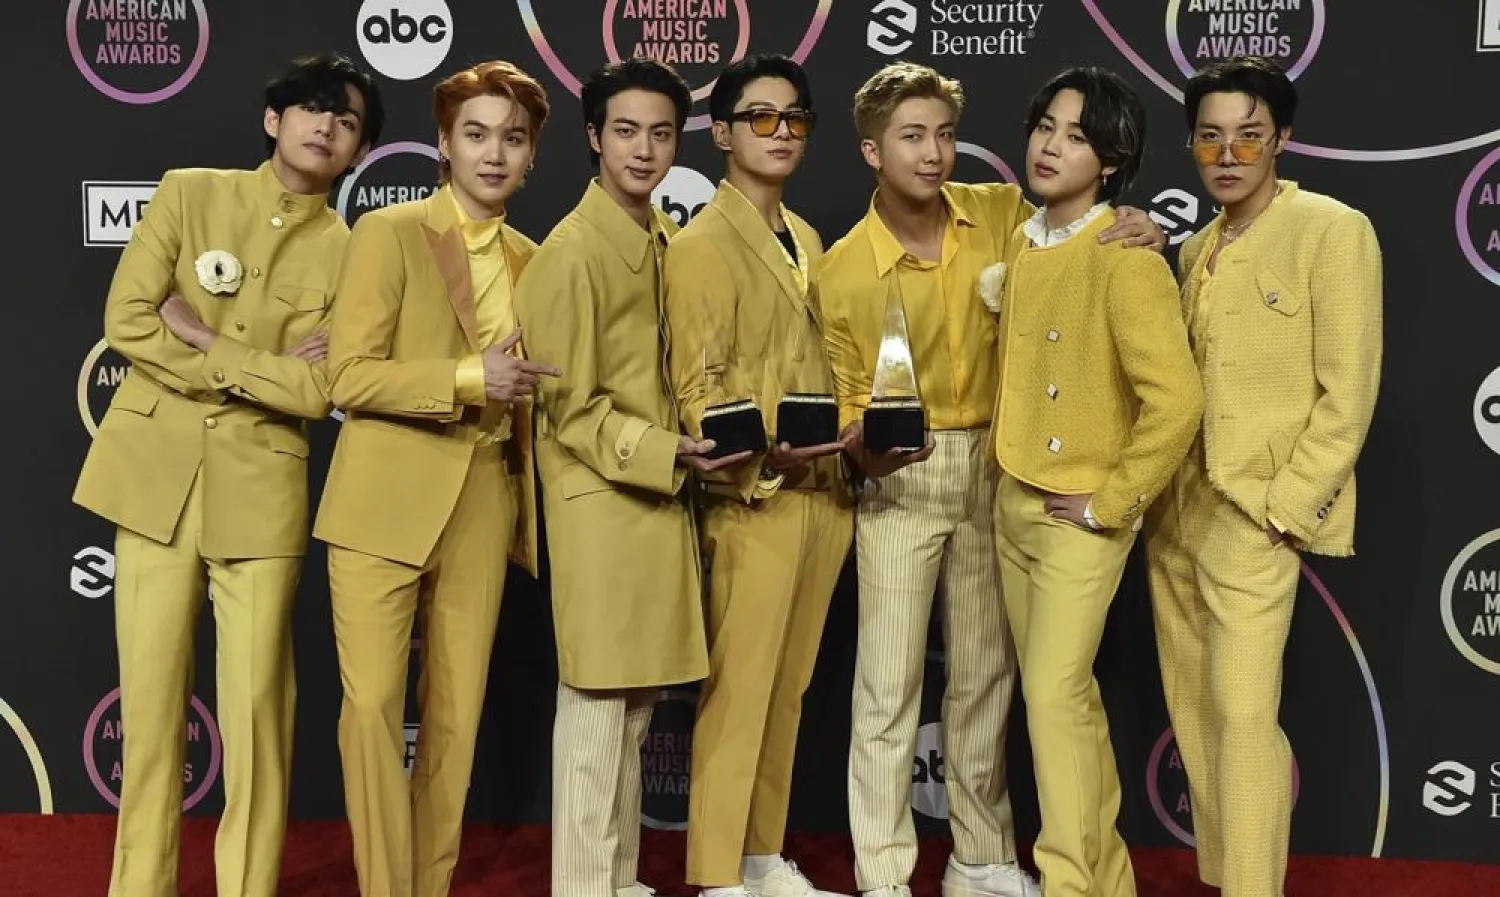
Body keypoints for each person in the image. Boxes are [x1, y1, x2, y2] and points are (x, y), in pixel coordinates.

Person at [816, 61, 1164, 897]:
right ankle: (884, 872)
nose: (934, 154)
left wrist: (1144, 226)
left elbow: (1085, 237)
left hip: (1000, 473)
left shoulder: (1007, 214)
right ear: (870, 150)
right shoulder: (838, 272)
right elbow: (842, 409)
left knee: (987, 682)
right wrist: (863, 446)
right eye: (912, 137)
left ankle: (983, 857)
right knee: (887, 689)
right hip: (897, 483)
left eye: (944, 134)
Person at [72, 52, 384, 897]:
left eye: (347, 120)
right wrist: (258, 367)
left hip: (262, 492)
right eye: (313, 109)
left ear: (358, 152)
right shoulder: (189, 191)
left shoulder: (355, 250)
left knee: (255, 716)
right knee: (148, 710)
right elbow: (130, 318)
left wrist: (208, 340)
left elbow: (319, 389)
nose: (326, 126)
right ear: (273, 118)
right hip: (152, 481)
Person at [313, 60, 559, 897]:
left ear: (532, 158)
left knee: (454, 719)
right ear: (445, 145)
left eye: (513, 139)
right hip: (382, 496)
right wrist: (465, 378)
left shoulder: (538, 260)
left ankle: (432, 883)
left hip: (486, 495)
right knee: (374, 708)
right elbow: (346, 375)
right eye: (477, 134)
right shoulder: (389, 233)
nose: (495, 154)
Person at [1145, 55, 1383, 897]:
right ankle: (1226, 877)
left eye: (1249, 134)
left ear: (1281, 138)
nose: (1229, 152)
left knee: (1245, 719)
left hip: (1256, 513)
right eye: (1210, 136)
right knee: (1199, 716)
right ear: (1193, 146)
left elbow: (1347, 392)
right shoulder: (1197, 246)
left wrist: (1286, 508)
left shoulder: (1332, 227)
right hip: (1174, 514)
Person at [514, 56, 748, 897]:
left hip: (652, 501)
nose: (644, 149)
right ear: (593, 138)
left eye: (659, 132)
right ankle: (583, 886)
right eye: (625, 131)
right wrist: (665, 450)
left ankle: (617, 879)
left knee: (636, 706)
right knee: (593, 705)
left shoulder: (660, 240)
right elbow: (567, 408)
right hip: (602, 503)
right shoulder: (568, 253)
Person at [991, 67, 1203, 897]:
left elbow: (1177, 401)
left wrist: (1113, 501)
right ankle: (1103, 880)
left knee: (1051, 694)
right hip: (1013, 496)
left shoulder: (1124, 254)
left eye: (1077, 135)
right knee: (1062, 703)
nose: (1051, 145)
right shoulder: (1021, 236)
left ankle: (1071, 882)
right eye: (1046, 125)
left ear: (1112, 160)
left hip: (1078, 515)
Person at [663, 54, 854, 897]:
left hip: (824, 493)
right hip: (754, 498)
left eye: (795, 118)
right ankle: (712, 871)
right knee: (739, 692)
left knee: (790, 688)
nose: (781, 133)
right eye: (762, 117)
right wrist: (758, 457)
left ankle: (759, 852)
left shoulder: (806, 237)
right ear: (722, 131)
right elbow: (697, 390)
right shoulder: (703, 242)